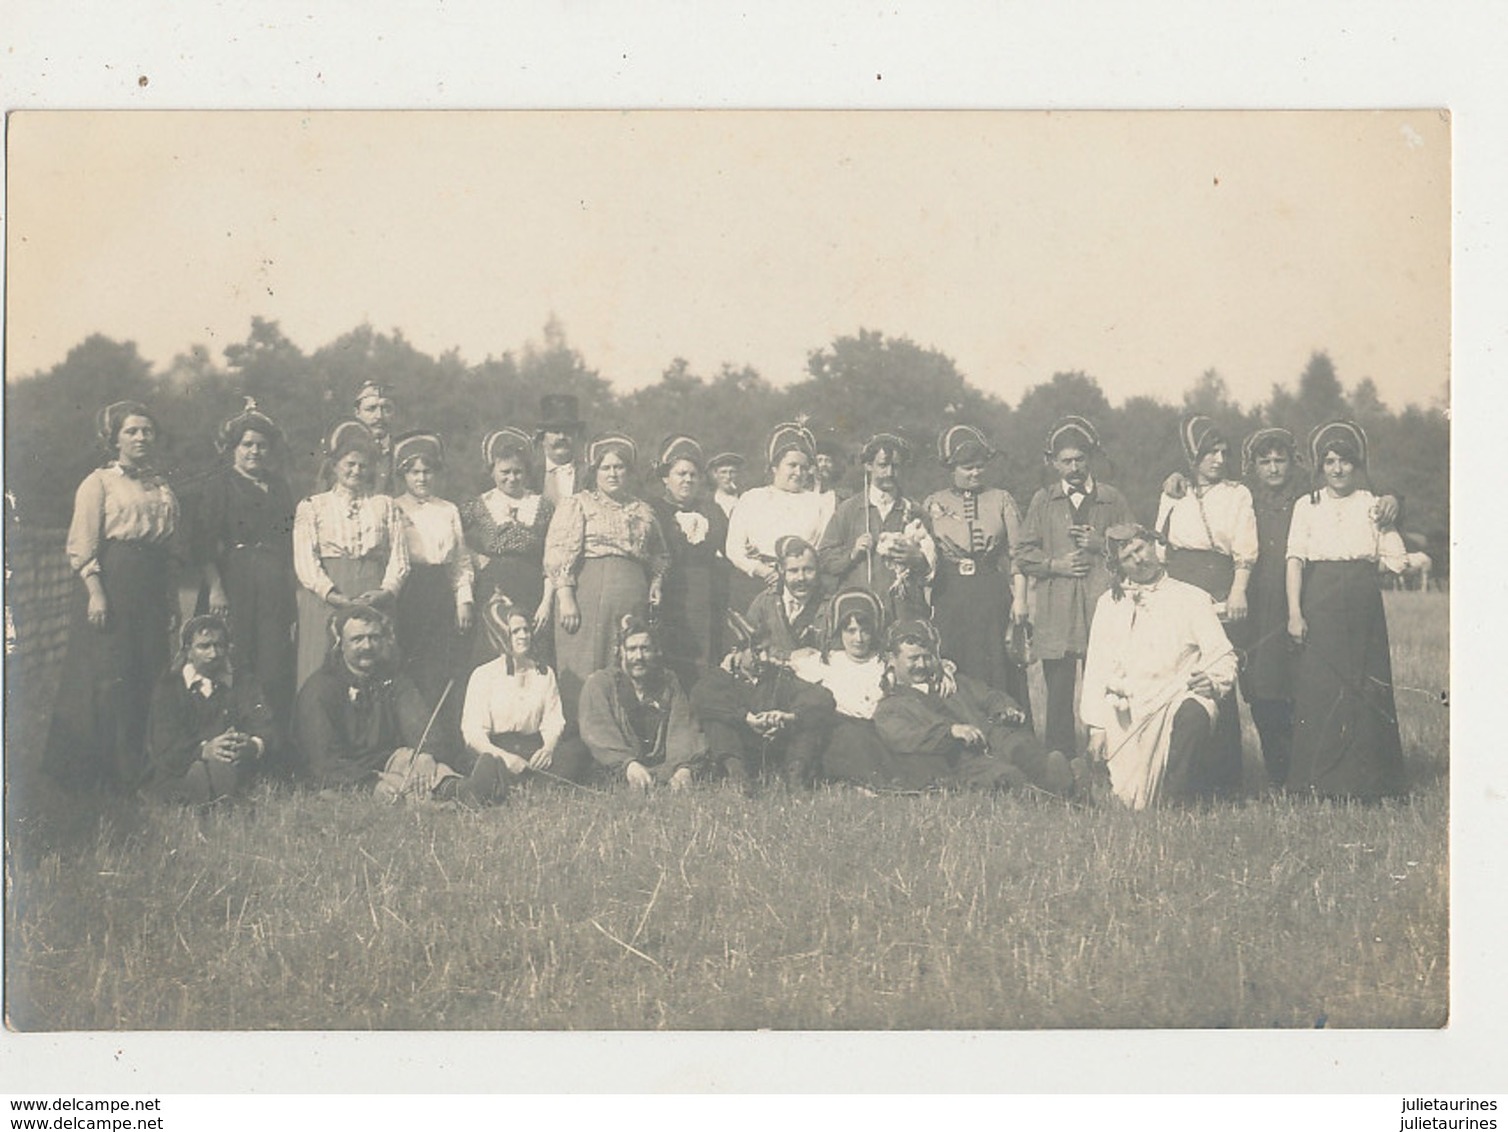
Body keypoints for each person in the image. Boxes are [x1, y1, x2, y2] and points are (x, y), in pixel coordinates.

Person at [43, 400, 182, 793]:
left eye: (147, 431)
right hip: (113, 584)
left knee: (151, 673)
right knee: (110, 676)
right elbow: (83, 544)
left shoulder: (162, 487)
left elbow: (169, 549)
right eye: (131, 431)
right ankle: (101, 774)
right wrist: (96, 593)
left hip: (151, 587)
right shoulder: (99, 482)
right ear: (114, 438)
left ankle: (142, 768)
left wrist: (171, 600)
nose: (141, 437)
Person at [1285, 421, 1409, 800]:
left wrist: (1366, 571)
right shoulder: (1307, 505)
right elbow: (1294, 560)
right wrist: (1295, 612)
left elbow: (1398, 560)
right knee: (1322, 689)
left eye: (1345, 461)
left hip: (1362, 604)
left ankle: (1370, 785)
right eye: (1330, 461)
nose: (1338, 469)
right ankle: (1319, 785)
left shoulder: (1371, 505)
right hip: (1318, 601)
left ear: (1358, 465)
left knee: (1364, 687)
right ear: (1320, 466)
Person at [1079, 524, 1240, 809]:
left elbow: (1224, 655)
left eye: (1141, 549)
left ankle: (1176, 802)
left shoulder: (1192, 597)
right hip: (1126, 712)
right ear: (1118, 566)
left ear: (1154, 546)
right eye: (1128, 557)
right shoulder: (1109, 604)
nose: (1139, 560)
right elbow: (1096, 668)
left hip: (1174, 701)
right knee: (1127, 798)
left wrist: (1212, 681)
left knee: (1195, 711)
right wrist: (1096, 729)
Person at [293, 604, 503, 804]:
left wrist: (426, 755)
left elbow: (423, 725)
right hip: (347, 774)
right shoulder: (319, 689)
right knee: (399, 787)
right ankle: (447, 801)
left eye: (374, 638)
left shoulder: (393, 679)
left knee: (415, 763)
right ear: (340, 645)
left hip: (389, 760)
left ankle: (464, 790)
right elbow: (322, 760)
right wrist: (370, 784)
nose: (367, 646)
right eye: (357, 639)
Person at [1016, 416, 1138, 757]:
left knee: (1107, 685)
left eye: (1080, 459)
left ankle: (1112, 758)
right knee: (1058, 690)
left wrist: (1102, 544)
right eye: (1066, 461)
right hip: (1057, 611)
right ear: (1054, 463)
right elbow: (1022, 553)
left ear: (1090, 459)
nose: (1074, 467)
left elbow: (1137, 549)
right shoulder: (1044, 500)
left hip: (1103, 606)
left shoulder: (1111, 499)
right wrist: (1056, 564)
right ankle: (1061, 763)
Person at [1153, 415, 1258, 796]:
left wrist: (1238, 590)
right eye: (1208, 452)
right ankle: (1180, 777)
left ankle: (1223, 782)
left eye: (1223, 452)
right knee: (1179, 672)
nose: (1217, 460)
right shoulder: (1173, 492)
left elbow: (1245, 547)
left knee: (1217, 675)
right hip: (1179, 584)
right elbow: (1159, 547)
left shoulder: (1237, 493)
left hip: (1218, 584)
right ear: (1190, 456)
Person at [184, 399, 298, 738]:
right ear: (233, 448)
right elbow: (203, 541)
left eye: (261, 445)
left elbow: (291, 538)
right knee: (235, 658)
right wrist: (216, 587)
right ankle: (227, 738)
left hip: (274, 583)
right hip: (232, 583)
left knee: (274, 664)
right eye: (247, 444)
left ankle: (269, 745)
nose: (255, 451)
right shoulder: (219, 485)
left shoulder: (280, 487)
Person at [543, 432, 670, 712]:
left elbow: (660, 554)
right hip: (587, 596)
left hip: (632, 596)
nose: (613, 473)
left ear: (628, 471)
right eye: (606, 467)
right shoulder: (578, 503)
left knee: (627, 663)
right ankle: (580, 736)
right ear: (595, 471)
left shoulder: (643, 510)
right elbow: (558, 551)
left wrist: (656, 582)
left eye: (619, 467)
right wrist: (565, 596)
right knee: (586, 664)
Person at [872, 620, 1075, 795]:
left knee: (1024, 749)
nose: (922, 664)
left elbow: (988, 695)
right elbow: (906, 737)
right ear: (893, 660)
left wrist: (1005, 708)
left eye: (927, 657)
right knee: (1005, 777)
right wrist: (950, 732)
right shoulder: (891, 706)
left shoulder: (952, 683)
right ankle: (1051, 796)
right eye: (913, 658)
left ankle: (1061, 781)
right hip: (960, 759)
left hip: (994, 739)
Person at [292, 420, 409, 692]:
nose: (357, 471)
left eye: (363, 465)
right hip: (328, 595)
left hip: (374, 593)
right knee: (323, 667)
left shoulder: (385, 505)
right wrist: (332, 594)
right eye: (350, 464)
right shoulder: (313, 506)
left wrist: (386, 590)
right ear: (335, 466)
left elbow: (399, 557)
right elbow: (306, 561)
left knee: (374, 663)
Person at [924, 424, 1031, 708]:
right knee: (955, 661)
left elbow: (1019, 553)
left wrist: (1020, 599)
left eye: (980, 467)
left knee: (996, 661)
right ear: (951, 468)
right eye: (967, 468)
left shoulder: (1001, 499)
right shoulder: (934, 503)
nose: (975, 473)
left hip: (991, 592)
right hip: (949, 594)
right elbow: (924, 556)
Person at [1234, 427, 1306, 787]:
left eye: (1281, 460)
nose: (1274, 468)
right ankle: (1278, 775)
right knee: (1263, 692)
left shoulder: (1309, 500)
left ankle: (1304, 773)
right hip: (1259, 610)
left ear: (1293, 463)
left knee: (1300, 689)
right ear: (1253, 466)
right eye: (1265, 462)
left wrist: (1393, 500)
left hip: (1299, 604)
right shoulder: (1243, 502)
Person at [691, 610, 836, 790]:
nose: (765, 658)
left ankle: (796, 776)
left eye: (768, 650)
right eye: (757, 652)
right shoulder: (721, 678)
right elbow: (700, 697)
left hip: (776, 749)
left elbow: (823, 698)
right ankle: (737, 778)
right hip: (741, 750)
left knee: (809, 720)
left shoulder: (779, 676)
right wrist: (746, 718)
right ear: (736, 651)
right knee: (716, 721)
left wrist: (788, 717)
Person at [460, 594, 594, 787]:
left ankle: (529, 785)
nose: (523, 636)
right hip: (498, 753)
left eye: (526, 630)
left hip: (534, 755)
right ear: (502, 633)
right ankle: (526, 785)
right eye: (515, 632)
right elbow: (474, 733)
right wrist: (507, 759)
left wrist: (548, 749)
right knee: (487, 766)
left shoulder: (544, 673)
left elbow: (553, 721)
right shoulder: (483, 675)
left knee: (577, 750)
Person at [144, 615, 278, 804]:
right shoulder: (170, 687)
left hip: (235, 765)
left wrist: (252, 745)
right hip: (180, 768)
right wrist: (204, 750)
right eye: (204, 646)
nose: (214, 654)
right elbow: (164, 743)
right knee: (193, 777)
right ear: (188, 651)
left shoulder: (243, 682)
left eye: (219, 645)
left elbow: (265, 725)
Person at [459, 427, 556, 667]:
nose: (512, 478)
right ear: (492, 471)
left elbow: (554, 552)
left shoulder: (542, 506)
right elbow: (450, 537)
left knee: (531, 651)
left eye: (518, 472)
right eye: (505, 472)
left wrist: (547, 598)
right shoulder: (479, 505)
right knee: (493, 650)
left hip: (531, 587)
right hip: (493, 588)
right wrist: (476, 557)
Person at [578, 616, 709, 790]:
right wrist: (628, 764)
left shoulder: (668, 682)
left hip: (661, 767)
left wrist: (683, 768)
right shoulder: (600, 683)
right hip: (616, 768)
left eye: (645, 649)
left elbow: (683, 727)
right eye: (632, 649)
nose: (639, 657)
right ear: (621, 652)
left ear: (656, 651)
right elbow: (598, 732)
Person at [392, 431, 475, 704]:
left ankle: (440, 734)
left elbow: (461, 559)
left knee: (439, 661)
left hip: (440, 589)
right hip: (409, 589)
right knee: (409, 656)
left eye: (427, 471)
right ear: (404, 475)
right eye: (414, 472)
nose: (421, 478)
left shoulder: (448, 509)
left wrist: (464, 600)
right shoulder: (394, 508)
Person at [818, 432, 934, 622]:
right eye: (882, 465)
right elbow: (824, 558)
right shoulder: (848, 510)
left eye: (895, 466)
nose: (889, 472)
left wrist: (919, 559)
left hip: (904, 612)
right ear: (868, 465)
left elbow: (935, 568)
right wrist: (852, 554)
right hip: (859, 614)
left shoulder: (915, 512)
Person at [724, 420, 836, 612]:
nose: (798, 472)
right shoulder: (752, 498)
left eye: (804, 467)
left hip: (803, 586)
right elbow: (733, 548)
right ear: (774, 467)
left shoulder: (819, 503)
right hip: (756, 585)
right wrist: (762, 570)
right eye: (792, 465)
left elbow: (822, 548)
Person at [649, 434, 730, 691]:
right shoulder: (653, 510)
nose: (687, 480)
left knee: (703, 657)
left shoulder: (712, 511)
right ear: (665, 478)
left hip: (703, 596)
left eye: (693, 475)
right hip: (668, 594)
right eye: (680, 474)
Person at [788, 587, 892, 788]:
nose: (859, 639)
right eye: (850, 631)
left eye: (865, 630)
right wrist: (791, 656)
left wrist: (947, 669)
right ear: (839, 630)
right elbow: (789, 666)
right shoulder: (827, 661)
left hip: (873, 733)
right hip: (836, 732)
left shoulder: (884, 662)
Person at [745, 536, 828, 660]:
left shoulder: (829, 605)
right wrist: (788, 656)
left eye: (808, 570)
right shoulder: (765, 602)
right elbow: (749, 647)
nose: (801, 578)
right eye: (793, 571)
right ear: (781, 570)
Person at [536, 394, 588, 506]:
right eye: (555, 431)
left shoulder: (589, 475)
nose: (561, 437)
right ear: (542, 436)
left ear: (576, 436)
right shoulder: (529, 474)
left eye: (568, 432)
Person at [353, 381, 399, 495]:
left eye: (386, 409)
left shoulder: (402, 452)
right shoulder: (342, 454)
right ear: (357, 413)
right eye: (371, 409)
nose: (379, 416)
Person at [813, 434, 853, 503]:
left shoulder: (844, 497)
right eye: (819, 460)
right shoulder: (804, 493)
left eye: (828, 461)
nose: (823, 464)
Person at [707, 451, 744, 519]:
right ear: (715, 474)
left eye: (732, 472)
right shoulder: (708, 502)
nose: (728, 477)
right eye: (723, 472)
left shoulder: (744, 500)